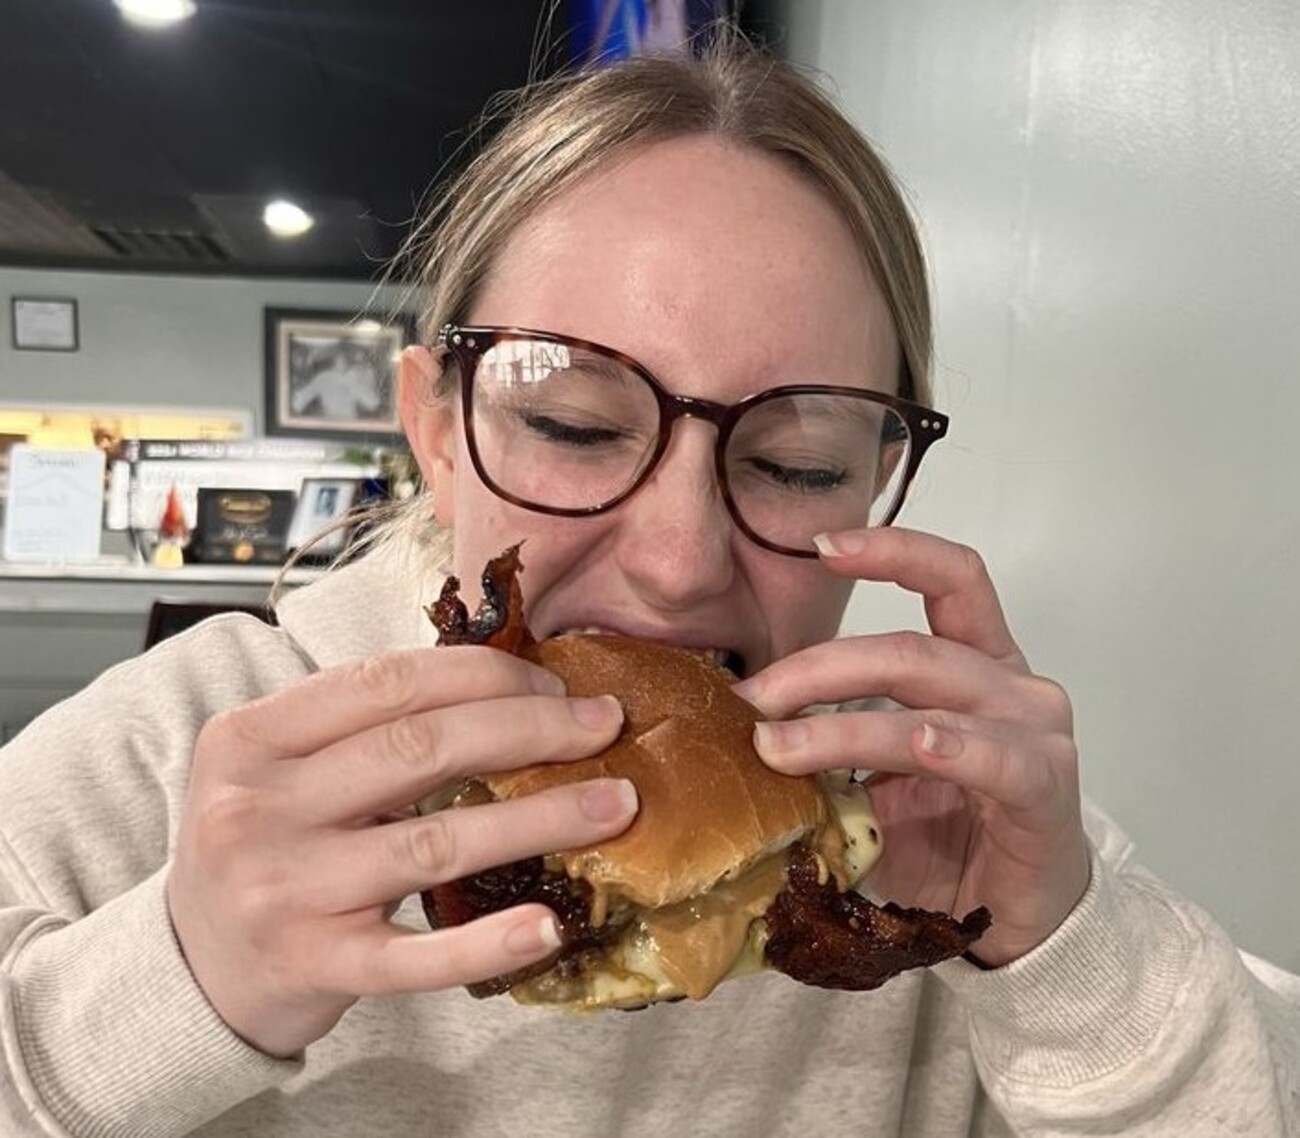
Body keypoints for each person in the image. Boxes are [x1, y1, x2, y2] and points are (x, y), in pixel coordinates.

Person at [1, 34, 1296, 1138]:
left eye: (797, 462)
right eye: (571, 425)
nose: (678, 563)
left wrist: (1066, 958)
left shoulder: (931, 833)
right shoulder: (171, 756)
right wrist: (173, 984)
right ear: (438, 430)